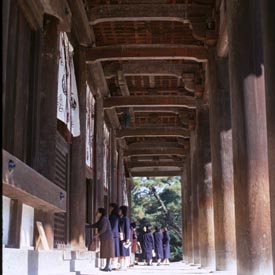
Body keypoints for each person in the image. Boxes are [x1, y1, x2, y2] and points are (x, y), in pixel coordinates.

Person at [88, 208, 114, 272]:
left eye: (97, 212)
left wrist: (97, 234)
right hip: (106, 237)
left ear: (101, 213)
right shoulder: (102, 219)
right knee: (108, 252)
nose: (96, 213)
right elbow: (96, 225)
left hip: (107, 237)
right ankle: (108, 266)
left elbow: (104, 228)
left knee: (108, 252)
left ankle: (108, 266)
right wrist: (88, 226)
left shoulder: (104, 219)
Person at [118, 205, 131, 270]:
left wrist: (128, 238)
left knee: (124, 251)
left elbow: (127, 229)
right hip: (120, 237)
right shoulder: (120, 218)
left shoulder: (126, 218)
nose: (119, 211)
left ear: (122, 211)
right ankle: (121, 265)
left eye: (120, 210)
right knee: (121, 251)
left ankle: (124, 265)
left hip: (125, 237)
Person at [109, 203, 120, 270]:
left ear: (112, 208)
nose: (109, 209)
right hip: (116, 234)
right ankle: (114, 264)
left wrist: (110, 233)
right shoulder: (116, 216)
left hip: (112, 234)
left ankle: (113, 264)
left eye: (110, 207)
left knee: (113, 249)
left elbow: (112, 226)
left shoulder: (113, 216)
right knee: (115, 249)